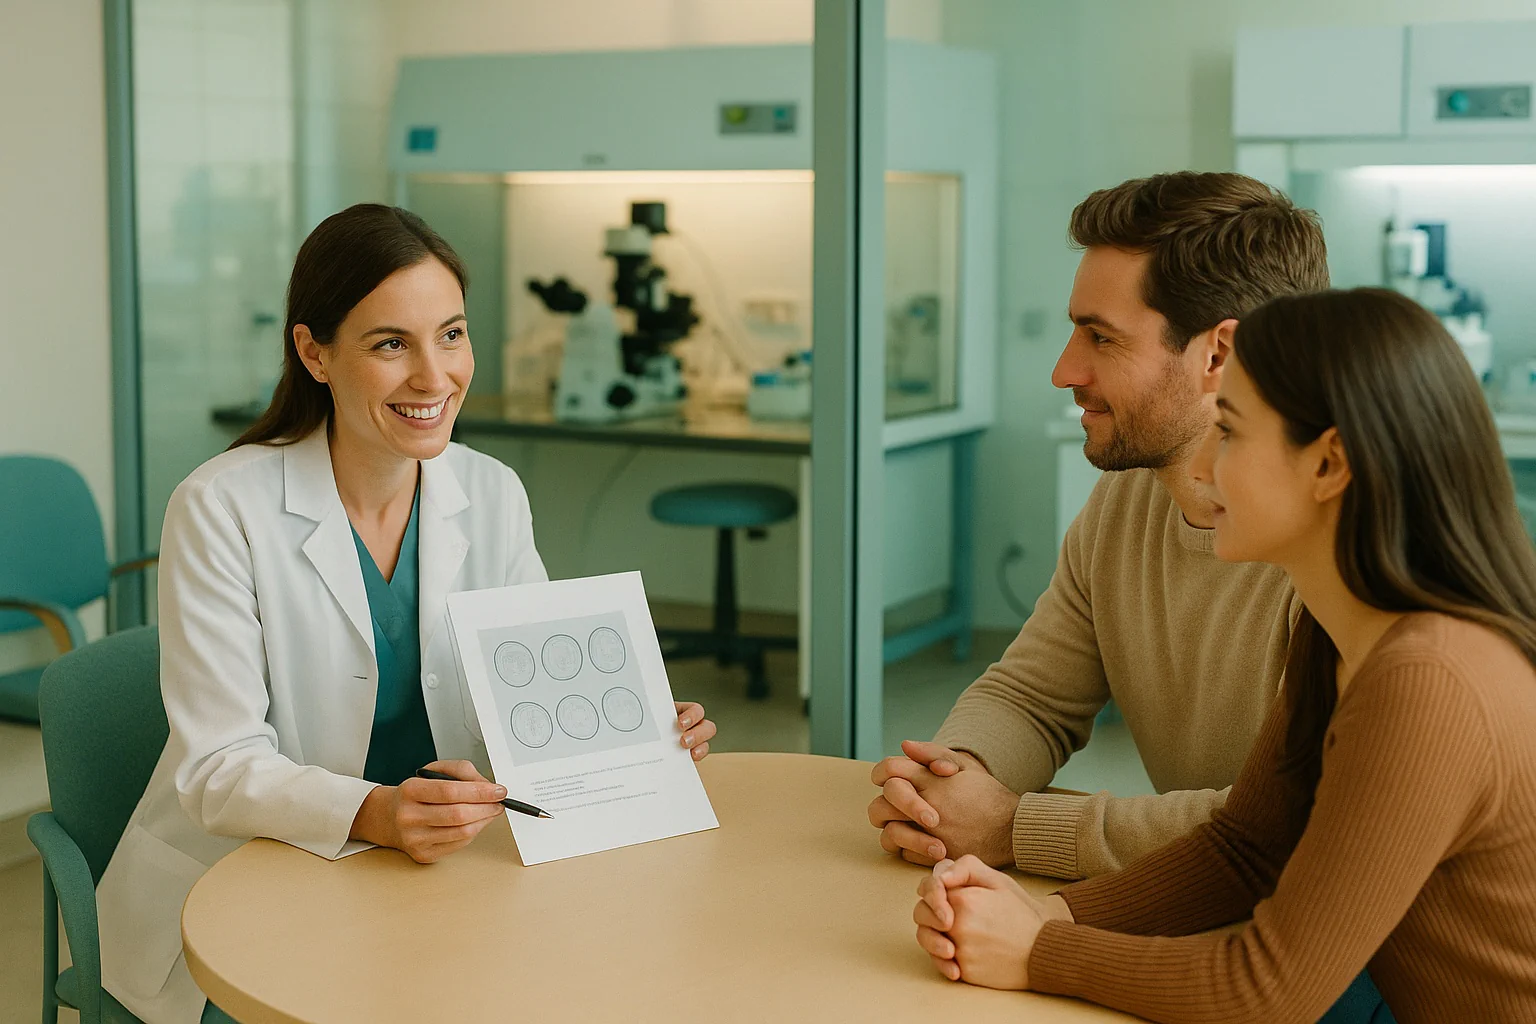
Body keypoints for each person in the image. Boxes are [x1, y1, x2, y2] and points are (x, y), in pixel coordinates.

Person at [95, 205, 718, 1024]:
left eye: (451, 335)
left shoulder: (490, 492)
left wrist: (627, 730)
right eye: (392, 344)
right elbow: (217, 770)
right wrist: (375, 813)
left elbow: (521, 695)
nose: (435, 377)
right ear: (313, 352)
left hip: (441, 872)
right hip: (255, 879)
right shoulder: (221, 506)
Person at [913, 288, 1536, 1022]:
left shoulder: (1426, 679)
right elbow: (1247, 847)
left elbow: (1271, 990)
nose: (1201, 463)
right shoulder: (1340, 632)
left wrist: (1037, 952)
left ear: (1329, 465)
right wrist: (1048, 916)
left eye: (1230, 433)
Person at [869, 172, 1326, 880]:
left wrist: (1017, 830)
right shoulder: (1128, 502)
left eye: (1101, 338)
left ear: (1220, 355)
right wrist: (950, 786)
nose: (1063, 370)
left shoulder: (1348, 545)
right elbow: (1033, 695)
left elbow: (1304, 827)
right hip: (1214, 910)